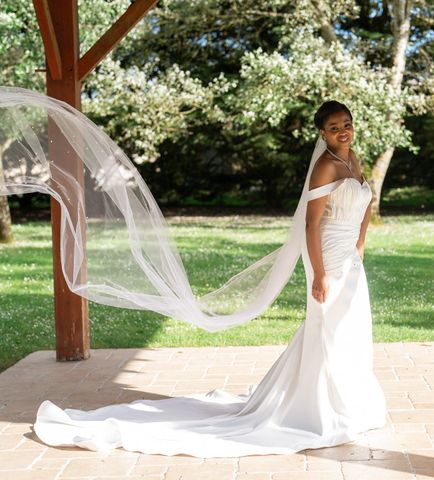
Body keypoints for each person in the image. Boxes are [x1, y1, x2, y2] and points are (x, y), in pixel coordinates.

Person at [32, 100, 387, 457]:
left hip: (350, 257)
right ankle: (322, 409)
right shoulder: (325, 166)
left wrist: (360, 243)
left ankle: (349, 401)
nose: (343, 131)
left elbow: (364, 204)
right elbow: (311, 223)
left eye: (347, 124)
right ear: (322, 133)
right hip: (327, 256)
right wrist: (320, 274)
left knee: (350, 328)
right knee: (330, 328)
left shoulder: (353, 158)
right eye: (334, 127)